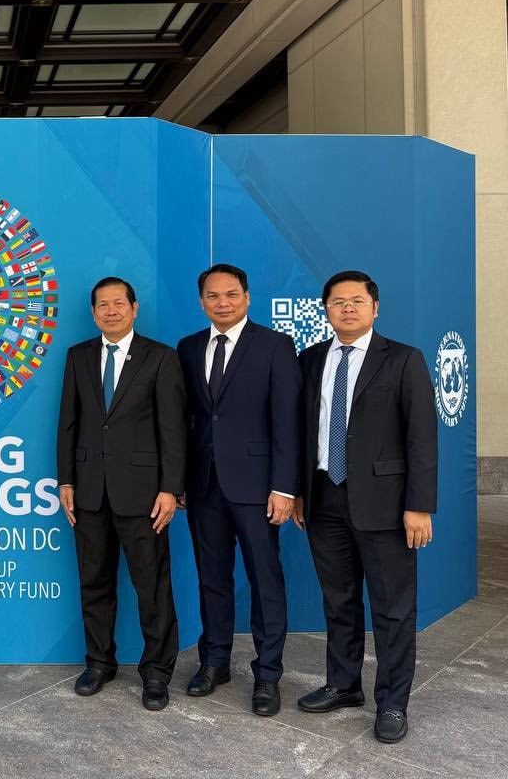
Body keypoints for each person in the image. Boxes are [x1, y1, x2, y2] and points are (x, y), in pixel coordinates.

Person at [293, 271, 437, 745]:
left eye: (357, 300)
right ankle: (343, 684)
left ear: (375, 308)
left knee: (393, 608)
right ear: (326, 309)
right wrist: (298, 491)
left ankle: (392, 702)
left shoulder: (403, 359)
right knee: (339, 601)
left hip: (387, 505)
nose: (348, 308)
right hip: (323, 497)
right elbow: (302, 433)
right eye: (338, 302)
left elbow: (421, 437)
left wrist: (419, 505)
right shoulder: (310, 359)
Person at [56, 276, 187, 711]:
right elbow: (68, 422)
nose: (111, 311)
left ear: (134, 308)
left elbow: (173, 429)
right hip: (89, 491)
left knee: (152, 587)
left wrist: (170, 489)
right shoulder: (78, 356)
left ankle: (157, 672)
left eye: (118, 303)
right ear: (93, 313)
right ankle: (99, 663)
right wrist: (66, 480)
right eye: (102, 305)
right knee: (94, 582)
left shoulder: (160, 357)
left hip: (144, 495)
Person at [176, 264, 301, 717]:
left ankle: (268, 673)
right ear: (201, 301)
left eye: (231, 294)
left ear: (247, 297)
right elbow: (185, 420)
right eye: (213, 296)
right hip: (203, 486)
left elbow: (287, 421)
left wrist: (284, 487)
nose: (222, 302)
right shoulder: (188, 347)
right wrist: (179, 480)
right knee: (212, 578)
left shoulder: (275, 345)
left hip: (258, 486)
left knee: (265, 581)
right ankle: (215, 661)